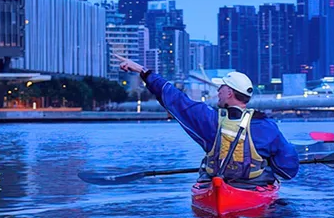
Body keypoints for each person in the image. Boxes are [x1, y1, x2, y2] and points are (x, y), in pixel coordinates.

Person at [115, 54, 299, 185]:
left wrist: (143, 71)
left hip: (218, 186)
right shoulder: (268, 126)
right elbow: (287, 170)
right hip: (253, 189)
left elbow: (175, 98)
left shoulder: (210, 120)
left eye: (221, 88)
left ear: (230, 92)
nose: (218, 91)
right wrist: (269, 165)